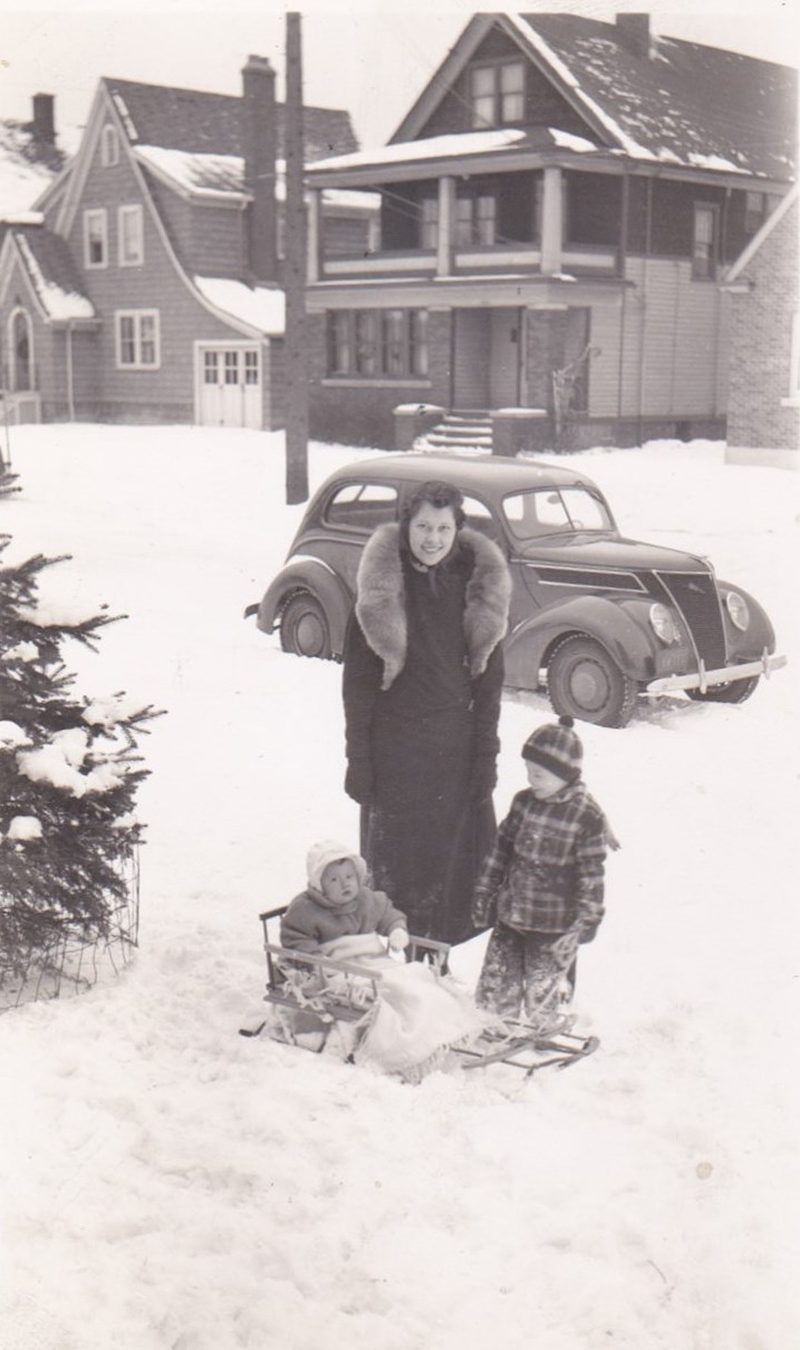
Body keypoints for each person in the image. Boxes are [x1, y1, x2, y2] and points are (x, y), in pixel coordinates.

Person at [342, 480, 512, 946]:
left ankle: (435, 972)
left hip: (454, 756)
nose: (432, 538)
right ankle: (399, 975)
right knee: (397, 878)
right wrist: (359, 760)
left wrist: (486, 760)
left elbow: (490, 689)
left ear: (457, 528)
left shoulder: (478, 588)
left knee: (452, 878)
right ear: (406, 526)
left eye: (442, 527)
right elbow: (357, 689)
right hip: (394, 753)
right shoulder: (381, 590)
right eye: (422, 526)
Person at [471, 715, 616, 1025]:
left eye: (539, 774)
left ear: (565, 775)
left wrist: (587, 918)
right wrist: (485, 891)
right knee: (498, 979)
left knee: (544, 988)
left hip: (554, 924)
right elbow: (500, 851)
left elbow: (592, 875)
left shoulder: (585, 816)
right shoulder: (523, 803)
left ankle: (545, 1029)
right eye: (528, 772)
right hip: (512, 914)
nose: (531, 780)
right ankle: (494, 1024)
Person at [280, 840, 409, 954]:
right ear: (319, 885)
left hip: (373, 959)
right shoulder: (305, 909)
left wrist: (396, 930)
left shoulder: (366, 898)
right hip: (336, 967)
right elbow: (296, 937)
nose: (344, 884)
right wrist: (316, 960)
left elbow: (387, 914)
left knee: (408, 977)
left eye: (349, 876)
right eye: (334, 880)